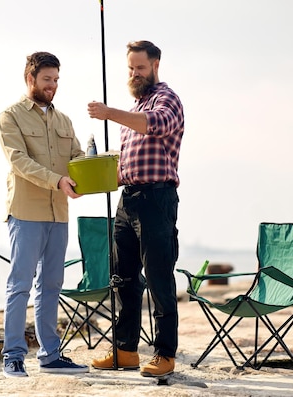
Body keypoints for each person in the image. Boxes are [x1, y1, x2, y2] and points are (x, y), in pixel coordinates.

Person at [87, 40, 184, 377]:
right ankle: (125, 350)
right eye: (130, 68)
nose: (134, 73)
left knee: (159, 278)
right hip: (127, 202)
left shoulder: (166, 99)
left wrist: (108, 112)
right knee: (123, 279)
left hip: (157, 201)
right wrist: (85, 182)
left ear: (155, 64)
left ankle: (165, 355)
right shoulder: (135, 106)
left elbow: (155, 124)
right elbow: (123, 168)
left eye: (140, 68)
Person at [0, 51, 89, 378]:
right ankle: (13, 356)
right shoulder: (10, 117)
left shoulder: (64, 120)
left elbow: (77, 157)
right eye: (47, 79)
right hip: (25, 213)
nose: (53, 86)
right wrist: (58, 180)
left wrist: (100, 166)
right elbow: (18, 162)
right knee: (20, 284)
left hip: (58, 214)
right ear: (30, 79)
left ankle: (51, 355)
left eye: (57, 80)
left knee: (51, 284)